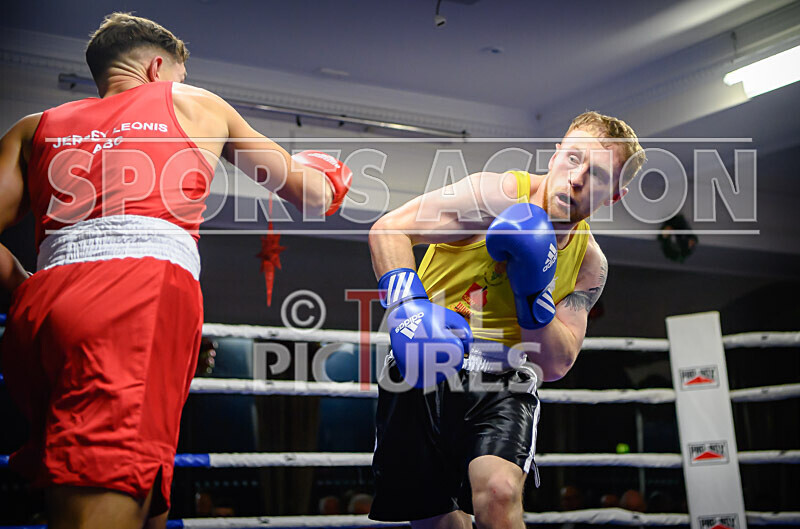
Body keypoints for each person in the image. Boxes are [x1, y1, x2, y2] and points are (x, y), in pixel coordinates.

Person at [0, 12, 351, 529]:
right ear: (159, 67)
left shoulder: (34, 127)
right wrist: (329, 173)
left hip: (45, 311)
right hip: (134, 301)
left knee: (134, 486)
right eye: (179, 76)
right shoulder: (194, 104)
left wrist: (30, 287)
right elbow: (311, 195)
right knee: (105, 483)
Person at [368, 111, 645, 528]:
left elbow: (556, 362)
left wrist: (533, 294)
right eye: (573, 159)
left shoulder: (590, 264)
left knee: (499, 492)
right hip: (421, 362)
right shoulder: (493, 195)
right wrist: (409, 307)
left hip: (503, 373)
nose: (577, 178)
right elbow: (389, 230)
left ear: (615, 195)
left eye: (599, 175)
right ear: (555, 157)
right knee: (436, 519)